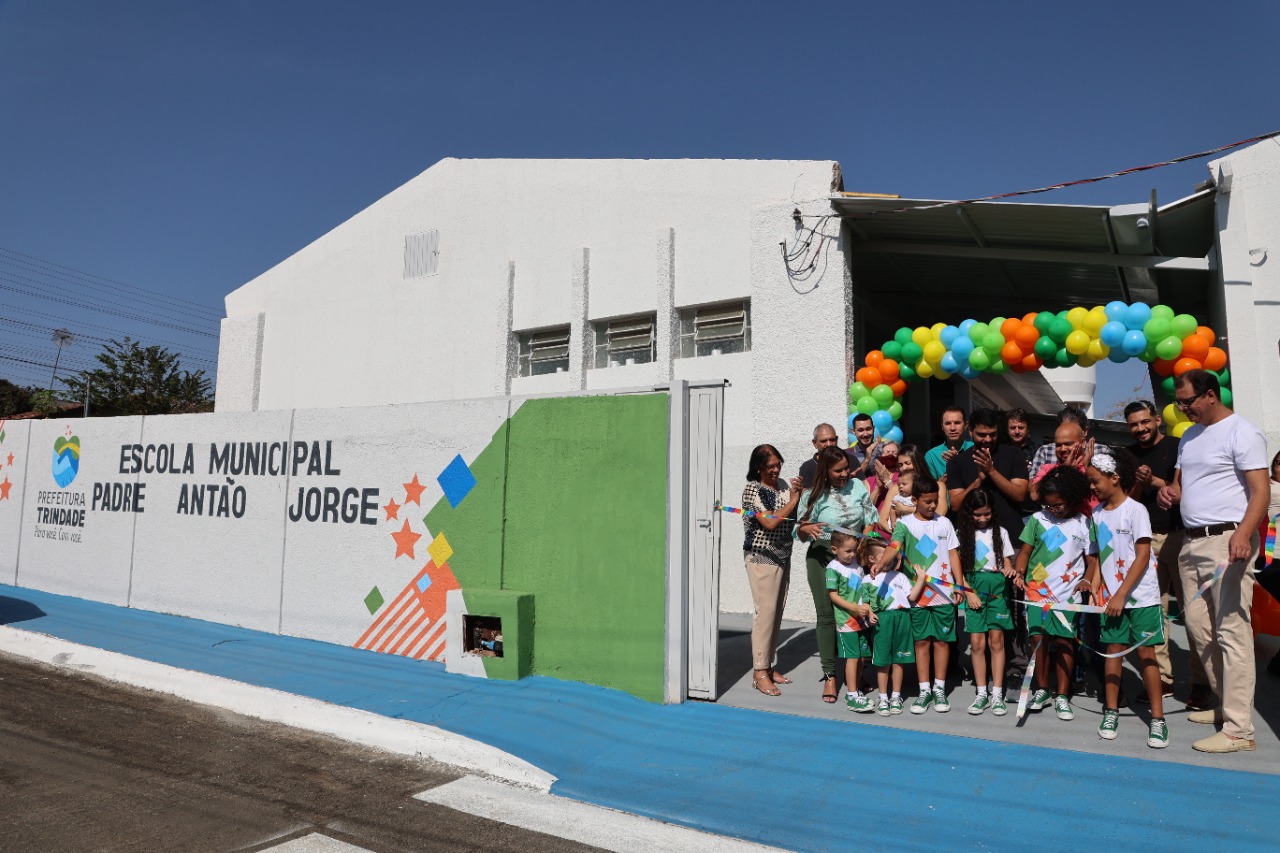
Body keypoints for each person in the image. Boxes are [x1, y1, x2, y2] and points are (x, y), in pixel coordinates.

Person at [1157, 369, 1270, 754]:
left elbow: (1260, 492)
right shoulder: (1190, 436)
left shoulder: (1243, 432)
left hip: (1227, 541)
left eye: (1187, 401)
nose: (1182, 408)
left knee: (1231, 632)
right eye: (1178, 402)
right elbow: (1180, 485)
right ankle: (1226, 705)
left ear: (1210, 395)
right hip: (1190, 542)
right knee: (1198, 627)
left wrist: (1244, 533)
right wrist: (1171, 493)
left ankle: (1239, 730)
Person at [1124, 400, 1209, 709]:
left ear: (1157, 419)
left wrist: (1154, 481)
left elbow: (1185, 491)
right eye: (1134, 424)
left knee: (1194, 613)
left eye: (1145, 421)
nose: (1140, 428)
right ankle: (1162, 679)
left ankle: (1201, 683)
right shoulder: (1127, 455)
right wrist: (1138, 483)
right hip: (1144, 542)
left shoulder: (1178, 446)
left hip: (1180, 537)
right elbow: (1128, 501)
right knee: (1153, 612)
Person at [1085, 450, 1169, 749]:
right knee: (1113, 652)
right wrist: (1094, 587)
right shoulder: (1096, 515)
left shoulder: (1136, 510)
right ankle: (1110, 711)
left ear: (1114, 478)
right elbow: (1098, 558)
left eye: (1095, 481)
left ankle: (1158, 718)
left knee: (1146, 654)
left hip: (1141, 596)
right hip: (1111, 600)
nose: (1092, 487)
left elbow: (1143, 555)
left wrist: (1121, 593)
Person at [873, 475, 975, 715]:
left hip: (944, 593)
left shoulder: (945, 523)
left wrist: (959, 584)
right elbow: (894, 547)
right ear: (915, 500)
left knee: (941, 641)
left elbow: (953, 554)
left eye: (935, 500)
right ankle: (924, 690)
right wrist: (882, 563)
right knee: (920, 642)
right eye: (927, 501)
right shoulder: (905, 524)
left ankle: (939, 688)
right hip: (917, 593)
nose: (932, 505)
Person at [795, 446, 879, 703]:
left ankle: (857, 673)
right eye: (838, 470)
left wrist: (863, 544)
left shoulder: (858, 486)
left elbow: (871, 519)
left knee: (858, 611)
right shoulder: (812, 494)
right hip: (822, 555)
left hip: (854, 554)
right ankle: (830, 675)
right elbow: (799, 531)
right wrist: (806, 528)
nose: (844, 474)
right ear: (825, 471)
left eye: (846, 469)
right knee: (827, 615)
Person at [1016, 465, 1098, 723]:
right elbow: (1025, 552)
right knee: (1038, 640)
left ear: (1072, 498)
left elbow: (1092, 560)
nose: (1054, 510)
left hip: (1068, 594)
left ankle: (1062, 694)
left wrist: (1086, 579)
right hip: (1037, 591)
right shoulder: (1037, 520)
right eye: (1049, 505)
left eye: (1059, 505)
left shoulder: (1084, 523)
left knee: (1065, 642)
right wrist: (1018, 572)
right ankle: (1042, 689)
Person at [741, 444, 803, 696]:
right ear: (759, 467)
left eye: (778, 464)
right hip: (761, 557)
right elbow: (769, 522)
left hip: (783, 555)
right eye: (771, 466)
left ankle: (768, 665)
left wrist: (799, 494)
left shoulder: (784, 487)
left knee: (776, 613)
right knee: (765, 613)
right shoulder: (752, 489)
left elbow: (794, 516)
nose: (776, 470)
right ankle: (759, 672)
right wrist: (794, 500)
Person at [956, 489, 1017, 716]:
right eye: (977, 514)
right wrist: (968, 592)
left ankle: (997, 694)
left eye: (987, 513)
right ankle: (982, 693)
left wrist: (1009, 569)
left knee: (997, 642)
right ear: (969, 513)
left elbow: (1007, 561)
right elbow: (957, 568)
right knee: (977, 643)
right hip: (973, 587)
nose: (982, 518)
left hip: (998, 589)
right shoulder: (962, 534)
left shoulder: (1001, 532)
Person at [863, 531, 929, 716]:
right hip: (883, 620)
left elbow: (912, 597)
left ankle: (896, 696)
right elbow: (864, 602)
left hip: (902, 618)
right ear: (871, 559)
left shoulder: (900, 577)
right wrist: (870, 613)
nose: (889, 560)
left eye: (891, 556)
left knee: (899, 660)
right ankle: (883, 697)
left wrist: (921, 579)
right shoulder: (867, 580)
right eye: (884, 556)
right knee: (883, 661)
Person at [946, 408, 1030, 539]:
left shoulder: (1014, 455)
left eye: (993, 434)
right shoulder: (957, 462)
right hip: (972, 540)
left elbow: (1020, 495)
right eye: (982, 435)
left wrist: (991, 471)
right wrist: (978, 481)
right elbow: (956, 505)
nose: (988, 439)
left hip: (1011, 537)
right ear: (970, 431)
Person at [826, 530, 877, 713]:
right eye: (848, 551)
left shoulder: (857, 565)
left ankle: (856, 686)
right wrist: (854, 608)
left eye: (854, 550)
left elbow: (863, 591)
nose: (852, 554)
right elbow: (833, 596)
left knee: (862, 656)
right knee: (853, 657)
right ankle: (852, 695)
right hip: (846, 620)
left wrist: (868, 609)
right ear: (835, 549)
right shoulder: (833, 568)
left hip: (861, 619)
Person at [1029, 406, 1111, 475]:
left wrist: (1088, 467)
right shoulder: (1045, 451)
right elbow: (1033, 486)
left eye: (1073, 430)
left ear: (1085, 432)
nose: (1063, 449)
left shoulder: (1102, 451)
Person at [925, 406, 972, 479]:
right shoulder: (932, 456)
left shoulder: (975, 449)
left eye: (957, 423)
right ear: (942, 427)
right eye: (947, 423)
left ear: (965, 425)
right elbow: (930, 486)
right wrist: (951, 467)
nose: (952, 428)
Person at [798, 423, 840, 488]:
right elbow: (806, 493)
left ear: (836, 439)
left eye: (832, 440)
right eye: (823, 441)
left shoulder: (850, 461)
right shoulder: (807, 468)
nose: (829, 444)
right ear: (815, 443)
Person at [847, 413, 883, 480]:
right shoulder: (847, 454)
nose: (865, 434)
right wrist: (867, 459)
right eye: (860, 430)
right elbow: (852, 481)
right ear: (854, 432)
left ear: (873, 429)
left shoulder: (883, 450)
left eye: (868, 429)